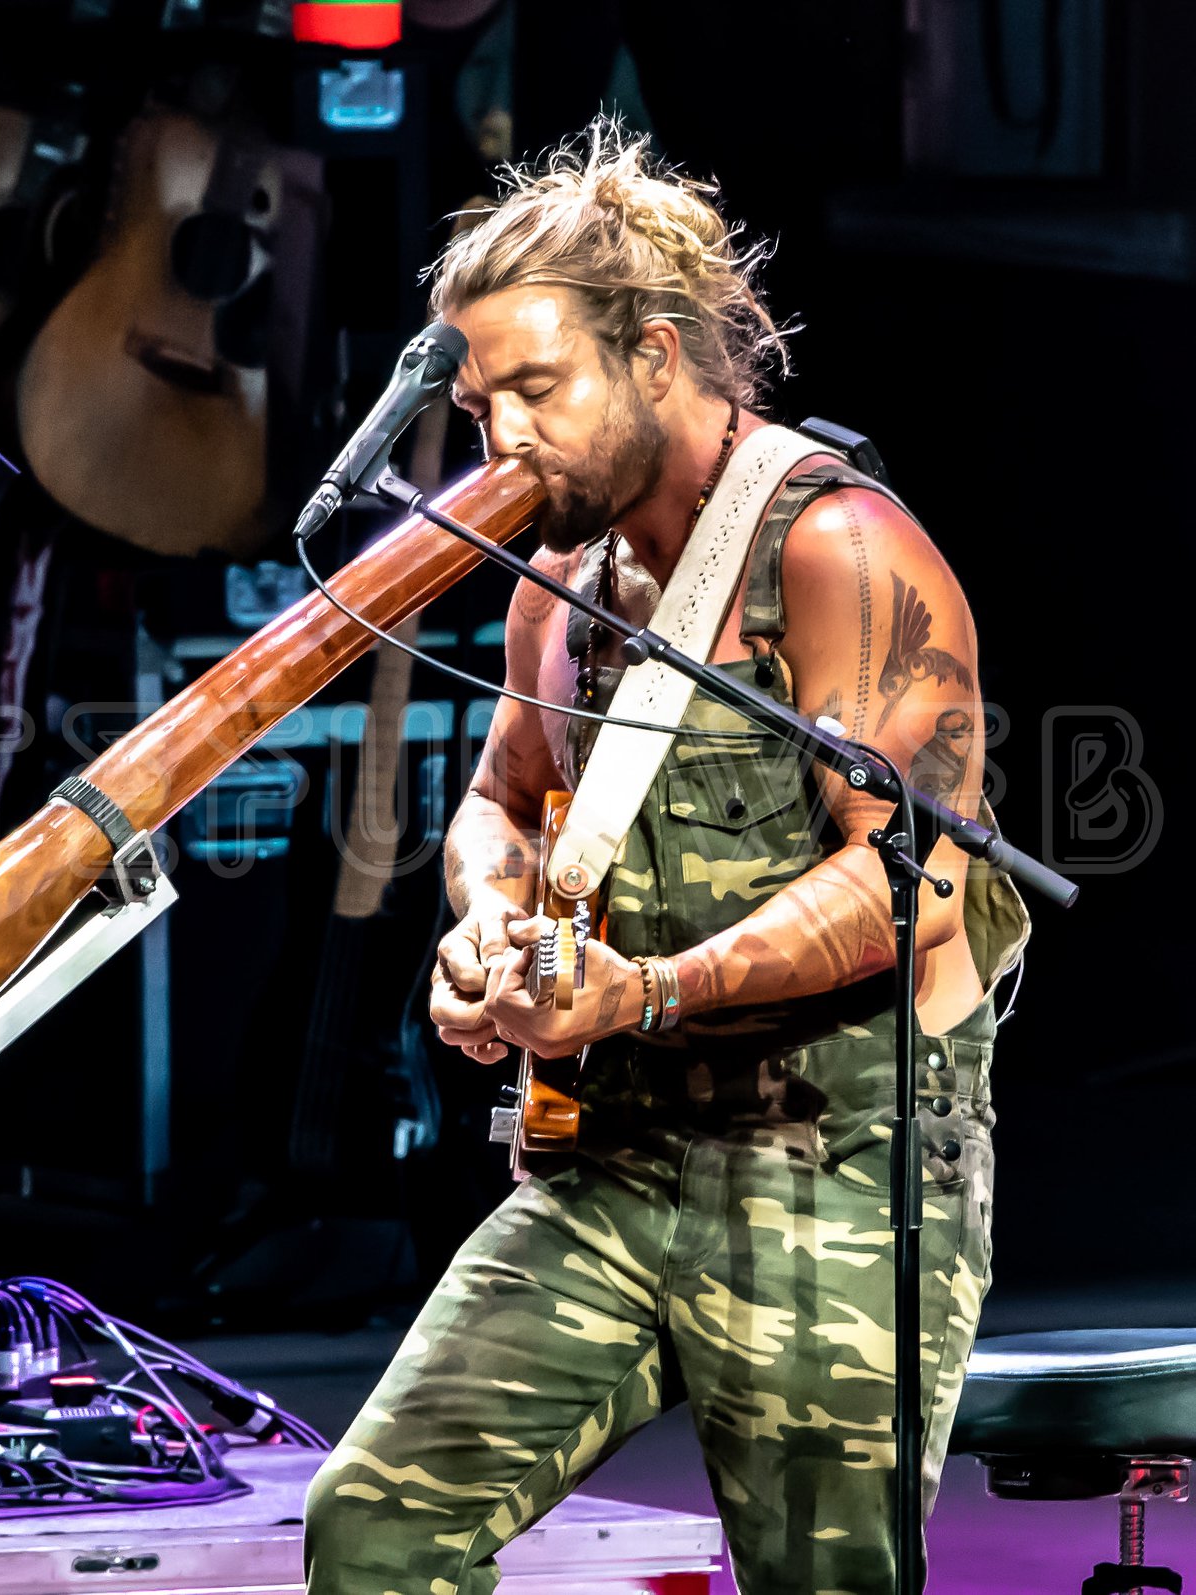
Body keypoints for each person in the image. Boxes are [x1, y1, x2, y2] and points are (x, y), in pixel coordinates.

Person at [302, 120, 1029, 1595]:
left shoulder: (836, 549)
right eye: (480, 398)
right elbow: (501, 802)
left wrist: (639, 991)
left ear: (652, 356)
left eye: (535, 388)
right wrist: (489, 928)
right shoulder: (556, 582)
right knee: (373, 1528)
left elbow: (913, 877)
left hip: (836, 1159)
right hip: (611, 1160)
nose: (499, 437)